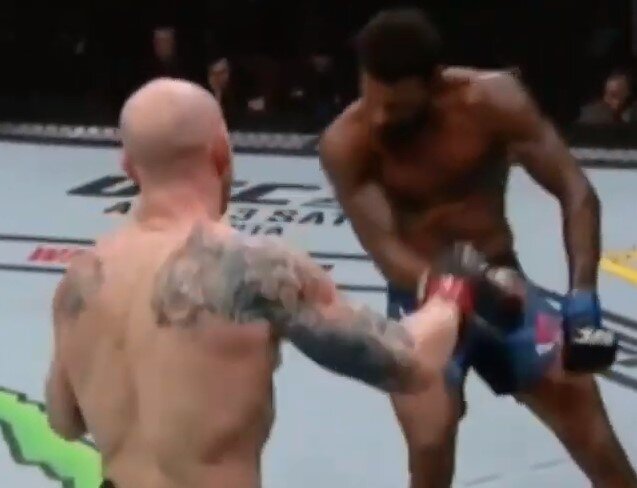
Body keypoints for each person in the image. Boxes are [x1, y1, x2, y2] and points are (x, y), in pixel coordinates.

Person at [44, 78, 502, 488]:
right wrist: (451, 291)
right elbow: (408, 362)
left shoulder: (82, 277)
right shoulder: (251, 266)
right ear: (221, 151)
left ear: (128, 165)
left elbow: (64, 419)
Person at [320, 9, 636, 488]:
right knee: (430, 441)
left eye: (396, 107)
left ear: (432, 83)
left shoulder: (490, 101)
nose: (381, 116)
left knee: (588, 424)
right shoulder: (348, 142)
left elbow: (575, 191)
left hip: (504, 284)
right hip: (420, 298)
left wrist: (582, 296)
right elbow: (386, 250)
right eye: (373, 99)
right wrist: (460, 286)